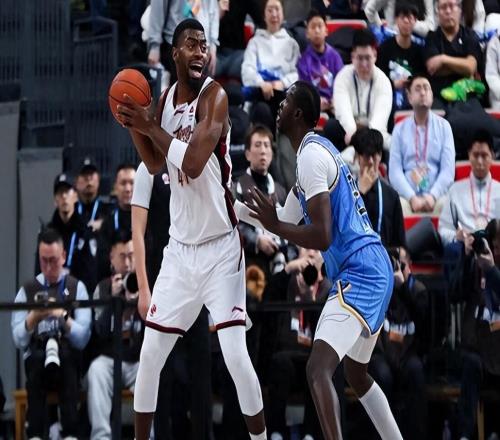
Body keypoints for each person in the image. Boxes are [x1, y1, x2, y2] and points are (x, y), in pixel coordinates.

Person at [116, 18, 267, 440]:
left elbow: (196, 162)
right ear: (175, 53)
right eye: (192, 44)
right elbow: (154, 163)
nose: (201, 51)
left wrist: (149, 126)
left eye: (204, 45)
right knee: (150, 355)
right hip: (180, 252)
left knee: (235, 356)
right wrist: (134, 123)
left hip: (221, 249)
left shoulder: (215, 97)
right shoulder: (164, 101)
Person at [241, 80, 402, 439]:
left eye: (285, 102)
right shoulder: (313, 155)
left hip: (360, 270)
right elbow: (282, 218)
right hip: (374, 266)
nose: (279, 107)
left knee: (317, 369)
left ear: (298, 113)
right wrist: (232, 206)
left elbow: (322, 235)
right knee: (357, 375)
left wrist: (274, 226)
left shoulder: (311, 157)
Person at [131, 161, 213, 439]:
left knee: (201, 366)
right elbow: (137, 234)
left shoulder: (191, 160)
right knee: (161, 369)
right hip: (162, 280)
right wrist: (143, 288)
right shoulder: (147, 170)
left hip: (196, 278)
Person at [11, 228, 91, 439]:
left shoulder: (77, 287)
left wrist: (62, 316)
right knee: (36, 360)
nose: (48, 267)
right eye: (43, 260)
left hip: (68, 360)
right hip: (38, 360)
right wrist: (32, 318)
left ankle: (70, 434)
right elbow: (18, 340)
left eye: (53, 261)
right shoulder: (27, 290)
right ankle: (35, 434)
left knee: (68, 359)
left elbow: (83, 338)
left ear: (63, 256)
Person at [87, 230, 144, 440]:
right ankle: (101, 437)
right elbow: (99, 332)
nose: (128, 263)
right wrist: (112, 302)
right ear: (112, 258)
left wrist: (137, 303)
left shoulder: (145, 286)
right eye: (122, 257)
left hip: (138, 359)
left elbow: (153, 331)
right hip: (110, 358)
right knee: (96, 370)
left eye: (131, 256)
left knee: (153, 373)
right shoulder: (103, 288)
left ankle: (147, 435)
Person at [450, 219, 500, 440]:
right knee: (471, 364)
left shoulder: (491, 269)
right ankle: (464, 435)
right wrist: (466, 257)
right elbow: (454, 294)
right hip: (477, 352)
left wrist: (492, 271)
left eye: (497, 247)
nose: (494, 252)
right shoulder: (475, 267)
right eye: (492, 246)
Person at [389, 75, 455, 215]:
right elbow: (394, 172)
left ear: (432, 95)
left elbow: (448, 171)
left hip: (437, 197)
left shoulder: (444, 127)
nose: (423, 92)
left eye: (426, 88)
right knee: (399, 205)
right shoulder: (399, 129)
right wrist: (411, 197)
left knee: (446, 204)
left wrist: (433, 195)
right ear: (409, 96)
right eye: (418, 89)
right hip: (408, 197)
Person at [325, 28, 393, 151]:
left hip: (373, 132)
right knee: (331, 127)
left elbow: (378, 122)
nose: (364, 64)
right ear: (352, 57)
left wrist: (366, 138)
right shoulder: (343, 76)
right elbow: (343, 111)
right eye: (360, 58)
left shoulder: (384, 82)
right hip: (349, 131)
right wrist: (352, 131)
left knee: (389, 142)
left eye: (368, 58)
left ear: (375, 56)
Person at [351, 128, 406, 247]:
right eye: (366, 156)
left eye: (374, 155)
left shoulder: (391, 195)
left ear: (380, 156)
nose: (371, 162)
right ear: (358, 157)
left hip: (384, 255)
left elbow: (400, 242)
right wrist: (361, 193)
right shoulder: (348, 192)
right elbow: (347, 228)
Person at [423, 0, 482, 107]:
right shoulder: (432, 37)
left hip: (467, 96)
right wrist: (462, 65)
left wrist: (443, 59)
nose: (448, 11)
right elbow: (432, 68)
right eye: (443, 7)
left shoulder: (470, 35)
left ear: (459, 10)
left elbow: (470, 67)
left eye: (451, 6)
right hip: (438, 97)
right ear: (437, 13)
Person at [376, 2, 426, 113]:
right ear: (396, 20)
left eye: (410, 18)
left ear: (415, 21)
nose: (406, 21)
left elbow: (422, 77)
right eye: (403, 17)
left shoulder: (419, 50)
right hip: (387, 97)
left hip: (412, 99)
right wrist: (393, 84)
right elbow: (378, 78)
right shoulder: (385, 48)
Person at [297, 9, 344, 116]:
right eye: (313, 27)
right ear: (307, 33)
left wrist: (335, 99)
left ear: (326, 31)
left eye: (320, 26)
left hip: (335, 105)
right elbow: (305, 90)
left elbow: (342, 82)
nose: (317, 31)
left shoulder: (335, 57)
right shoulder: (303, 61)